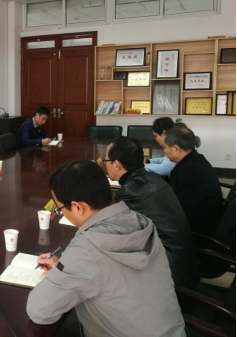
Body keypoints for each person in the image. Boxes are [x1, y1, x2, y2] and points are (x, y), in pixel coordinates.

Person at [26, 159, 185, 337]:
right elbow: (110, 273)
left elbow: (40, 311)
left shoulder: (87, 249)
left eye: (60, 209)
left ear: (77, 207)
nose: (60, 212)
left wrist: (63, 273)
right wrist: (67, 269)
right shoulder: (140, 221)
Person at [105, 136, 198, 287]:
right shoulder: (151, 177)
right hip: (183, 258)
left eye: (106, 161)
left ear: (116, 164)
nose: (105, 165)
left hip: (169, 268)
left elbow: (124, 238)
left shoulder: (130, 192)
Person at [164, 126, 223, 235]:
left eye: (165, 147)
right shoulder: (195, 160)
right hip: (203, 221)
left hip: (197, 232)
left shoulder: (191, 171)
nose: (164, 151)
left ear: (176, 149)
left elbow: (180, 213)